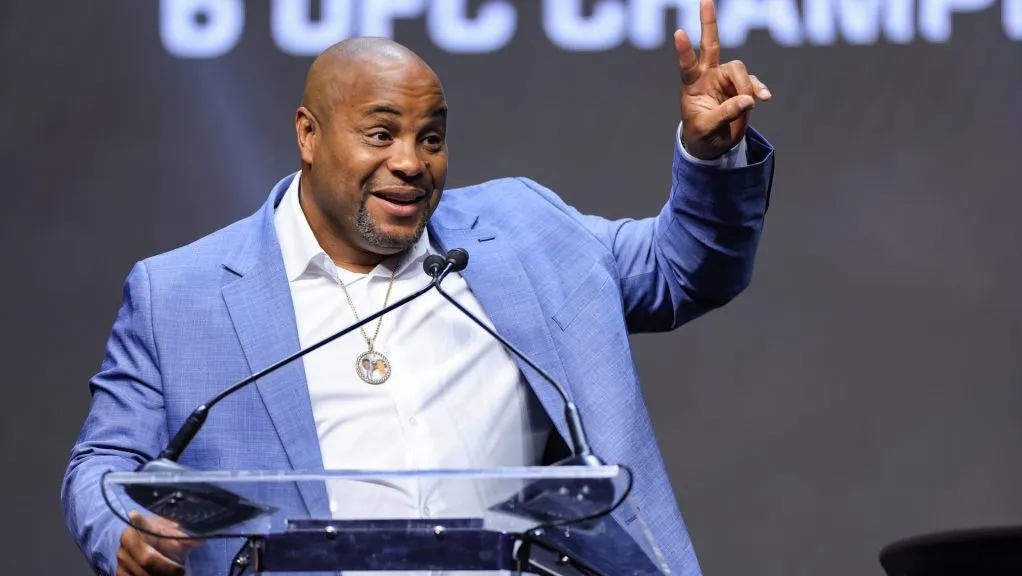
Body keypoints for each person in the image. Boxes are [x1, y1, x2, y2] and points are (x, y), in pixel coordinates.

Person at [62, 1, 775, 574]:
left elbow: (683, 269)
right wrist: (123, 525)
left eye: (430, 138)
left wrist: (711, 156)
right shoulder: (180, 294)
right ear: (309, 135)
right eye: (380, 135)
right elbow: (101, 464)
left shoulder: (522, 230)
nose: (411, 162)